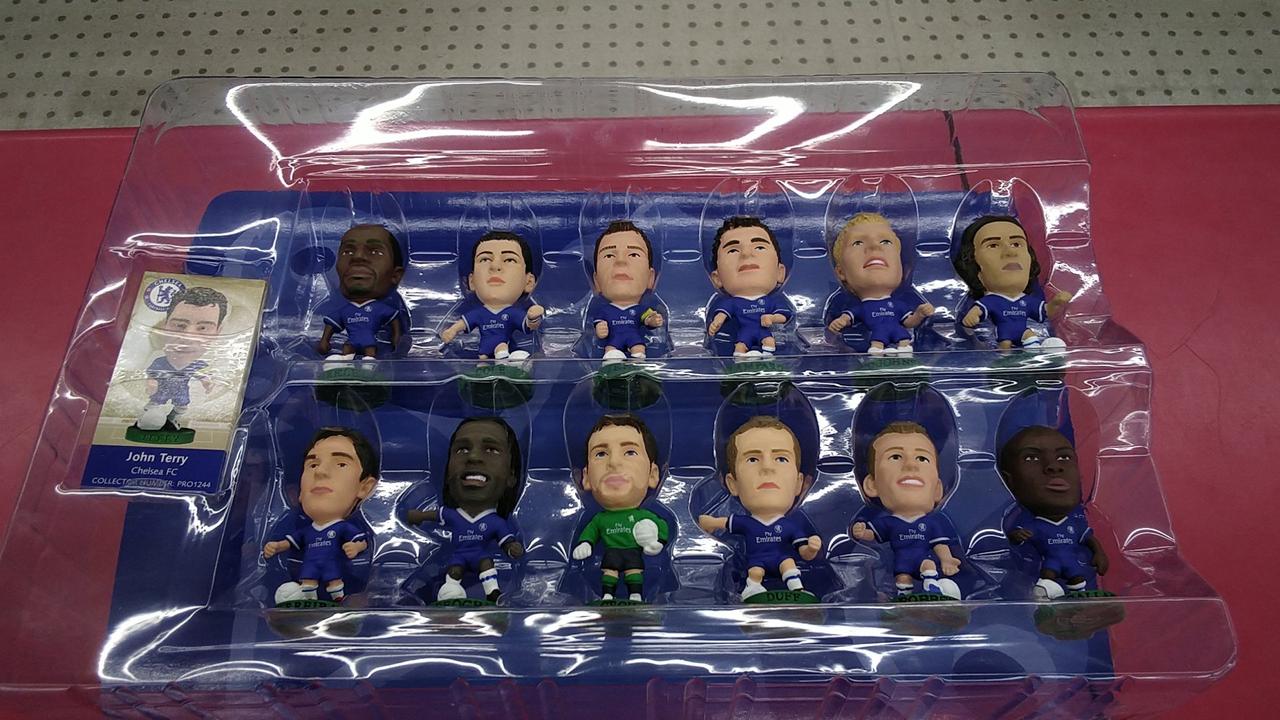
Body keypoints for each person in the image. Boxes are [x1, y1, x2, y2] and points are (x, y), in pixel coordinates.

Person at [698, 416, 822, 600]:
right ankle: (753, 589)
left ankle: (797, 590)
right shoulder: (747, 523)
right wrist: (710, 522)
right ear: (733, 484)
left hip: (783, 560)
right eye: (753, 459)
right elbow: (725, 523)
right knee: (755, 573)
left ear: (799, 483)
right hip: (756, 562)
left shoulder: (790, 526)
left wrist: (811, 549)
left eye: (781, 458)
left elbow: (804, 552)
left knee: (789, 565)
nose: (767, 467)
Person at [405, 417, 525, 602]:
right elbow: (435, 515)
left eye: (491, 450)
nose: (473, 457)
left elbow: (506, 539)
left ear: (512, 475)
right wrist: (418, 516)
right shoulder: (453, 515)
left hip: (481, 557)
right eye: (462, 449)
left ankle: (492, 592)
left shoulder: (494, 522)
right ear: (447, 473)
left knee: (486, 564)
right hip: (458, 556)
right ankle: (450, 593)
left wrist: (511, 547)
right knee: (454, 571)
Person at [262, 427, 380, 603]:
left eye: (341, 464)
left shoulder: (344, 528)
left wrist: (356, 547)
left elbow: (361, 541)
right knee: (308, 582)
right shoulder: (307, 531)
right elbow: (292, 542)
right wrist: (277, 546)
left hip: (334, 568)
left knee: (334, 581)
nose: (320, 472)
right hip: (309, 567)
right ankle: (310, 600)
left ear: (365, 487)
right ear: (299, 492)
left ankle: (339, 599)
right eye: (313, 465)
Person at [851, 421, 962, 599]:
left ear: (937, 489)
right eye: (895, 457)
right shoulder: (888, 522)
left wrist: (947, 559)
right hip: (901, 561)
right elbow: (874, 535)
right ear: (872, 485)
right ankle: (904, 596)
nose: (911, 465)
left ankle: (931, 586)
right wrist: (862, 533)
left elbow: (940, 544)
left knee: (928, 566)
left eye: (922, 458)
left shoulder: (931, 523)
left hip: (924, 559)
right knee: (902, 578)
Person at [998, 425, 1109, 599]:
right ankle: (1045, 595)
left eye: (1064, 457)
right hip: (1050, 564)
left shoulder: (1074, 524)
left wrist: (1099, 554)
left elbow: (1088, 538)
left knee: (1077, 581)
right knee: (1048, 576)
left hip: (1072, 564)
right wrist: (1017, 537)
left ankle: (1080, 598)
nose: (1054, 466)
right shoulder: (1033, 524)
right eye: (1032, 458)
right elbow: (1017, 540)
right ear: (1007, 480)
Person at [571, 414, 669, 602]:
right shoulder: (600, 520)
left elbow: (661, 526)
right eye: (601, 454)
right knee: (609, 572)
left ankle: (635, 595)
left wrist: (658, 542)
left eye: (630, 452)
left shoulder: (644, 516)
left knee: (634, 572)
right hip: (612, 554)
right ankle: (607, 595)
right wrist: (585, 544)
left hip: (633, 553)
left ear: (653, 474)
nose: (614, 463)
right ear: (586, 477)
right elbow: (591, 532)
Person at [953, 215, 1069, 349]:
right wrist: (971, 317)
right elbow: (977, 311)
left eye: (1016, 244)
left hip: (1025, 333)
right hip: (1004, 335)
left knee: (1032, 340)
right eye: (993, 245)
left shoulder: (1027, 301)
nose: (1010, 252)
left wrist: (1056, 302)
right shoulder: (992, 301)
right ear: (974, 265)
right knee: (1005, 348)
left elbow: (1046, 312)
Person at [825, 212, 934, 355]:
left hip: (899, 334)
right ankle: (877, 353)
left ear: (902, 268)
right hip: (877, 336)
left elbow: (909, 322)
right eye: (858, 243)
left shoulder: (899, 306)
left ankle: (903, 352)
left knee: (903, 344)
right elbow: (848, 317)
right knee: (877, 344)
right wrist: (840, 322)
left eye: (885, 242)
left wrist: (919, 314)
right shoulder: (861, 308)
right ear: (841, 272)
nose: (874, 247)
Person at [440, 230, 544, 362]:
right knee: (482, 366)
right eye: (485, 259)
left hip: (507, 348)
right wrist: (451, 331)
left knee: (503, 351)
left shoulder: (512, 313)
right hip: (482, 353)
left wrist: (533, 318)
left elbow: (528, 326)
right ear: (472, 281)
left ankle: (504, 359)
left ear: (528, 282)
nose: (495, 266)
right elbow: (462, 324)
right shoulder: (478, 314)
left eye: (509, 259)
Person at [137, 285, 228, 431]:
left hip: (181, 391)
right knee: (154, 406)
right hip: (162, 390)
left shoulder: (197, 364)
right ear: (165, 325)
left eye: (203, 328)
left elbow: (202, 374)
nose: (188, 337)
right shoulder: (161, 362)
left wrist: (207, 382)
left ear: (218, 332)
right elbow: (152, 374)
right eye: (180, 325)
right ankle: (145, 419)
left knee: (182, 406)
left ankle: (172, 419)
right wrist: (151, 382)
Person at [706, 217, 792, 360]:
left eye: (759, 247)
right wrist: (717, 322)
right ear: (717, 278)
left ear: (780, 272)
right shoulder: (732, 303)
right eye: (733, 250)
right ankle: (740, 361)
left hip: (764, 331)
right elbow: (722, 314)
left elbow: (784, 316)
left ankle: (768, 360)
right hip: (744, 333)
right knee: (740, 346)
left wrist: (772, 318)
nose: (746, 254)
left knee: (769, 342)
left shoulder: (771, 302)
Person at [318, 224, 406, 360]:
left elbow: (393, 320)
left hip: (369, 345)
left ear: (395, 275)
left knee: (369, 361)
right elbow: (331, 324)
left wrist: (397, 339)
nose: (358, 257)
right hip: (350, 344)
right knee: (344, 359)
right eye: (348, 252)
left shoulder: (379, 309)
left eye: (375, 252)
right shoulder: (345, 310)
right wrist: (324, 341)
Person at [589, 220, 665, 362]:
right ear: (596, 281)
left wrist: (653, 320)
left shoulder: (641, 309)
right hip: (614, 340)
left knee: (639, 349)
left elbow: (648, 319)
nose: (621, 261)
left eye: (633, 254)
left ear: (650, 278)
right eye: (609, 256)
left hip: (634, 338)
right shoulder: (605, 311)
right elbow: (598, 322)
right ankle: (612, 362)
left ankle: (638, 362)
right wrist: (600, 328)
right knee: (611, 352)